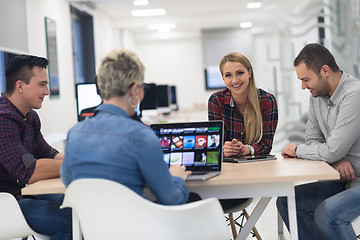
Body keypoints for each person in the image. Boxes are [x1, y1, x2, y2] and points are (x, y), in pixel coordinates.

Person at [61, 48, 193, 205]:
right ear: (133, 89)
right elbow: (172, 199)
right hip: (135, 226)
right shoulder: (140, 135)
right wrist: (177, 177)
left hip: (91, 227)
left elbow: (69, 181)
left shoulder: (75, 133)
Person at [277, 43, 360, 240]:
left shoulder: (354, 95)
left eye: (306, 80)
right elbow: (313, 140)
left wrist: (298, 150)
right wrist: (334, 158)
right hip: (341, 179)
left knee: (328, 213)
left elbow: (330, 150)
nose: (303, 87)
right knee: (286, 202)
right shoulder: (317, 97)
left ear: (325, 71)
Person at [0, 55, 72, 239]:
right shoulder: (3, 120)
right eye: (42, 84)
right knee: (70, 222)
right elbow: (29, 172)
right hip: (6, 204)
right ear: (20, 86)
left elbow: (49, 153)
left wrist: (82, 159)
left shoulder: (29, 117)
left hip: (21, 195)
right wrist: (76, 164)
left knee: (76, 204)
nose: (47, 91)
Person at [208, 52, 278, 209]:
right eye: (228, 75)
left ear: (249, 72)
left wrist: (247, 148)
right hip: (224, 178)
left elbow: (266, 144)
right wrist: (224, 149)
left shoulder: (267, 101)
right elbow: (214, 146)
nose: (235, 80)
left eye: (240, 73)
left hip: (255, 176)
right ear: (223, 78)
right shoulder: (216, 101)